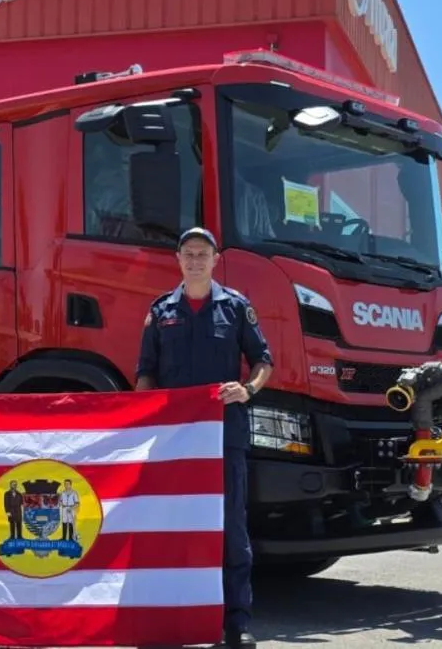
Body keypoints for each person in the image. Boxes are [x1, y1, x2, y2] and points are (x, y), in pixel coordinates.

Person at [135, 227, 273, 649]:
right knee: (172, 526)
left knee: (231, 527)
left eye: (203, 254)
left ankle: (237, 622)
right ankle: (171, 617)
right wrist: (141, 417)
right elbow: (146, 373)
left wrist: (247, 389)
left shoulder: (236, 308)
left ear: (215, 260)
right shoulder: (160, 312)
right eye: (189, 253)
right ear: (178, 259)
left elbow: (264, 361)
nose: (196, 260)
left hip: (223, 434)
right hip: (173, 440)